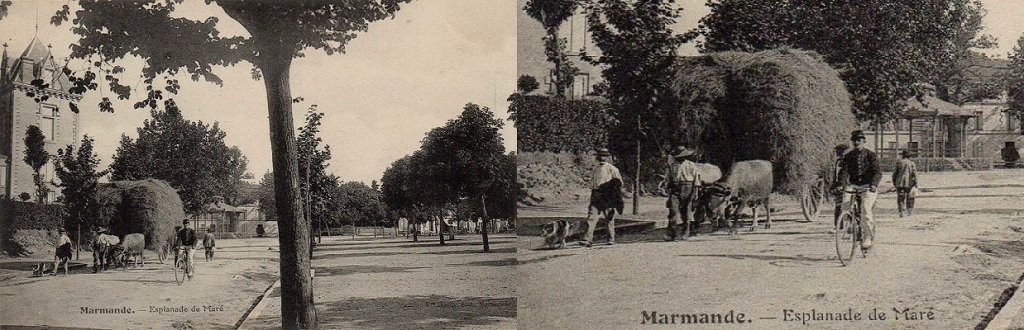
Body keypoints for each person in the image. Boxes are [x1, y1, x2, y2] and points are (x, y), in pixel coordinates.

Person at [837, 130, 882, 253]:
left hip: (868, 186)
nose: (856, 142)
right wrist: (841, 184)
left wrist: (873, 184)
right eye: (854, 140)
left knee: (866, 210)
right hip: (853, 185)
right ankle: (848, 226)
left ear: (864, 142)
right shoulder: (849, 156)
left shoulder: (871, 155)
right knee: (845, 203)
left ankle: (867, 237)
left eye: (859, 140)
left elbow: (877, 172)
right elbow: (844, 171)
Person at [580, 147, 623, 247]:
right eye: (600, 156)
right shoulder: (595, 168)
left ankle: (611, 238)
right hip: (596, 195)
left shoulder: (612, 169)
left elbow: (619, 183)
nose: (602, 157)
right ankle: (587, 239)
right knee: (591, 217)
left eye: (604, 156)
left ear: (607, 157)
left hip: (607, 195)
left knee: (609, 217)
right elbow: (592, 183)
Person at [664, 146, 701, 241]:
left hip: (688, 187)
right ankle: (671, 234)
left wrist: (696, 191)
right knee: (673, 210)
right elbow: (668, 178)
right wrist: (667, 188)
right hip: (675, 188)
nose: (681, 158)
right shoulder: (671, 165)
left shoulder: (691, 165)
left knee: (687, 210)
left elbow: (696, 178)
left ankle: (686, 232)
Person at [828, 144, 849, 234]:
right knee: (838, 206)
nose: (837, 153)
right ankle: (838, 226)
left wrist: (842, 185)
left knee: (848, 206)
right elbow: (836, 175)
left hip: (847, 186)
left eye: (839, 151)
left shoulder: (848, 162)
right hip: (840, 186)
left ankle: (851, 226)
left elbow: (846, 175)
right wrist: (834, 185)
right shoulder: (838, 161)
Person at [892, 150, 918, 217]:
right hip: (909, 184)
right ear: (909, 156)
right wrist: (916, 184)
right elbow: (914, 174)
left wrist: (894, 182)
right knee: (910, 198)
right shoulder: (912, 163)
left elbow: (894, 174)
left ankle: (901, 212)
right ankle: (909, 212)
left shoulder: (899, 163)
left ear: (903, 155)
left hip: (899, 183)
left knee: (900, 198)